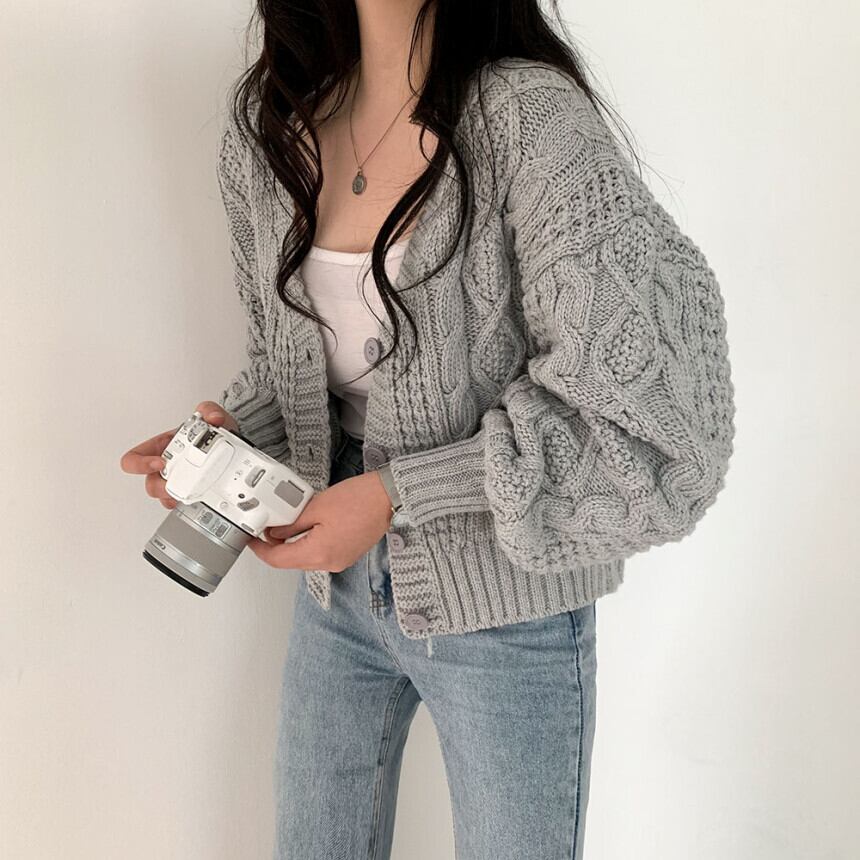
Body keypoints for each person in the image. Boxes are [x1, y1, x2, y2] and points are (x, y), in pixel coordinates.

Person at [120, 1, 736, 856]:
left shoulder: (531, 120)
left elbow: (647, 416)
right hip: (333, 593)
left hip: (509, 600)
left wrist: (397, 494)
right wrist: (228, 443)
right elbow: (287, 367)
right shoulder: (274, 127)